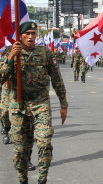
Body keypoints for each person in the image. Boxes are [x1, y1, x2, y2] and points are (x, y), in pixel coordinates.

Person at [0, 22, 68, 184]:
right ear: (20, 35)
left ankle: (42, 179)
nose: (31, 37)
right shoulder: (10, 52)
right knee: (21, 149)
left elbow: (57, 79)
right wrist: (10, 59)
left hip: (40, 104)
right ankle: (22, 179)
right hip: (18, 106)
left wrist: (63, 104)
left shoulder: (45, 53)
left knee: (44, 142)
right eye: (27, 34)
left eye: (33, 33)